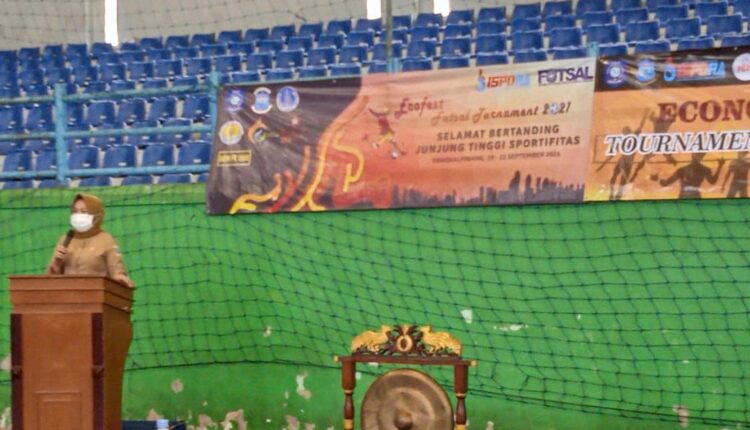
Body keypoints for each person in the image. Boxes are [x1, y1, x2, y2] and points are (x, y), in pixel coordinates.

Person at [47, 193, 134, 288]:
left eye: (84, 212)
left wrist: (121, 279)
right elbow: (51, 279)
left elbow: (117, 273)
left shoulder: (107, 240)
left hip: (96, 294)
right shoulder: (65, 239)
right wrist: (56, 264)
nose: (78, 215)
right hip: (67, 294)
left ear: (96, 216)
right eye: (75, 211)